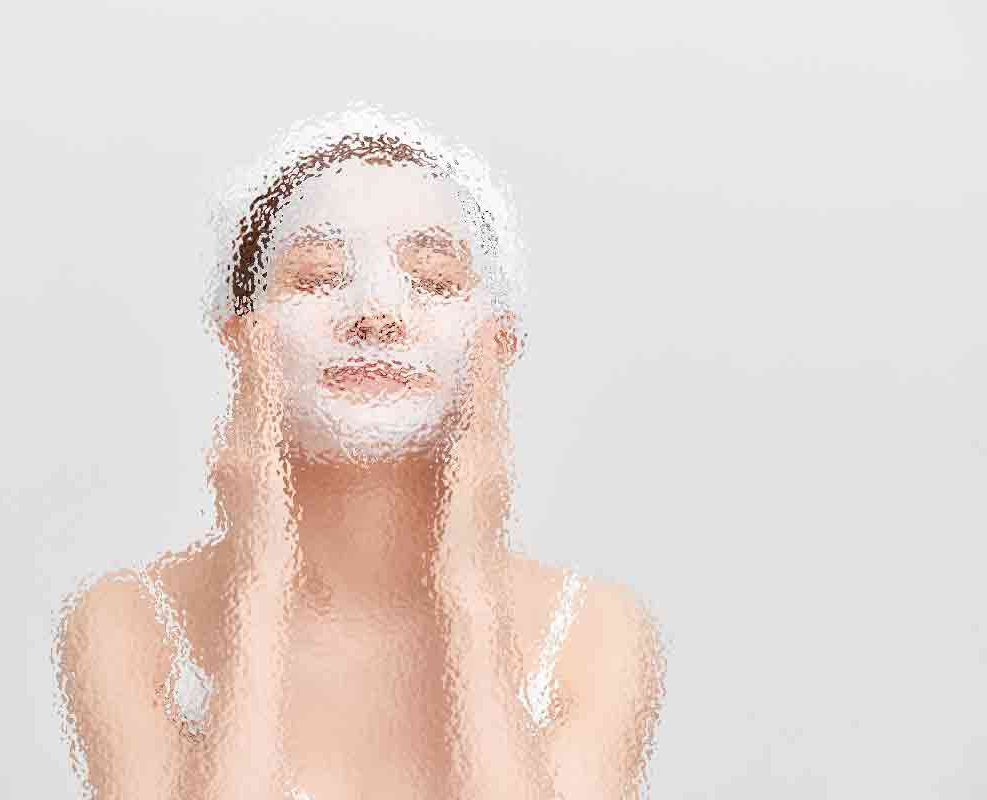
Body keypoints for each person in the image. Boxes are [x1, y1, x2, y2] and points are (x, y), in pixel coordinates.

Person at [54, 109, 665, 800]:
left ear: (498, 345)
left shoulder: (594, 633)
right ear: (240, 339)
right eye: (317, 276)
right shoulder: (128, 624)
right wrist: (259, 583)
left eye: (433, 281)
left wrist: (470, 591)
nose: (376, 311)